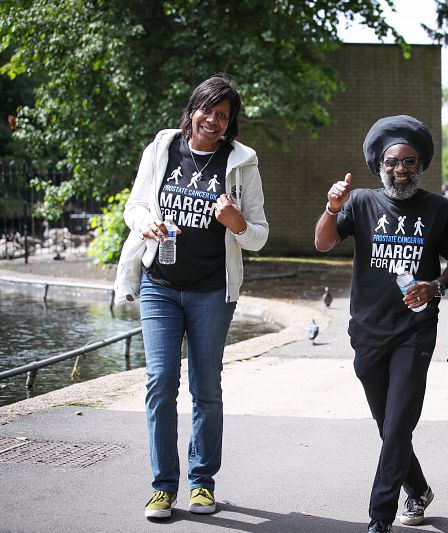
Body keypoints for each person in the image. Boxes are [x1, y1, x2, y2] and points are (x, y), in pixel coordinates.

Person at [114, 74, 269, 519]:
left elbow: (258, 236)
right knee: (161, 384)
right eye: (207, 111)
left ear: (230, 123)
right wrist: (144, 222)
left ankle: (201, 483)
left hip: (212, 292)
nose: (214, 121)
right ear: (192, 110)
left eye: (223, 116)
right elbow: (135, 204)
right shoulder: (163, 148)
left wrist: (236, 221)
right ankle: (163, 486)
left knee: (206, 388)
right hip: (159, 285)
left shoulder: (242, 163)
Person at [314, 115, 448, 533]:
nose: (401, 170)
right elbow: (322, 242)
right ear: (380, 165)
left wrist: (434, 287)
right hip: (368, 333)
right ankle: (420, 488)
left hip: (415, 331)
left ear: (420, 165)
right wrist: (331, 208)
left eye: (410, 162)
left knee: (397, 424)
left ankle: (380, 516)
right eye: (393, 162)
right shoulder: (360, 203)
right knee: (386, 424)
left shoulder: (438, 209)